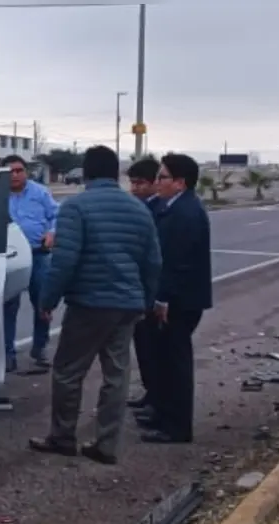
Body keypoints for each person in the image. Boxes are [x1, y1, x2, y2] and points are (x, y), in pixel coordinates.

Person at [28, 145, 162, 465]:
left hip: (89, 304)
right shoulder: (139, 209)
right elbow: (153, 262)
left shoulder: (76, 207)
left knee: (68, 372)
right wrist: (144, 301)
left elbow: (64, 261)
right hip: (127, 305)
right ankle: (107, 445)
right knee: (117, 375)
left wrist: (48, 300)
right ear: (115, 173)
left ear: (85, 173)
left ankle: (62, 437)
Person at [140, 153, 212, 444]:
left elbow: (176, 262)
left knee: (176, 361)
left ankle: (178, 427)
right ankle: (163, 413)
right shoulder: (169, 205)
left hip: (181, 300)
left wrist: (163, 299)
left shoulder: (186, 213)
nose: (157, 183)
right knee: (163, 358)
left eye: (163, 177)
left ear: (180, 183)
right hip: (172, 295)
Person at [1, 154, 58, 372]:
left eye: (19, 170)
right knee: (9, 306)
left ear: (25, 172)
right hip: (10, 257)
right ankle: (7, 354)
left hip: (38, 254)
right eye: (10, 171)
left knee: (43, 304)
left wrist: (52, 233)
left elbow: (56, 215)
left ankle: (40, 348)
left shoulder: (40, 192)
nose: (15, 175)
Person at [124, 157, 163, 420]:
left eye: (140, 183)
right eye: (132, 183)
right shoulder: (140, 208)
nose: (135, 189)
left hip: (153, 294)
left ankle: (159, 400)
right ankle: (151, 393)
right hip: (138, 292)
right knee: (144, 348)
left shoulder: (158, 210)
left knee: (155, 349)